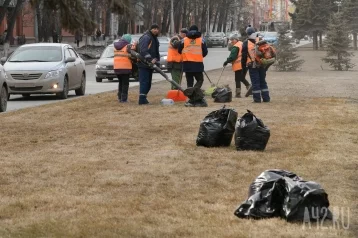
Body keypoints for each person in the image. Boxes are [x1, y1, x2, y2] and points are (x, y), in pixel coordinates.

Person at [241, 27, 270, 103]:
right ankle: (266, 98)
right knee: (263, 81)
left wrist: (243, 69)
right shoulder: (261, 40)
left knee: (255, 82)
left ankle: (257, 99)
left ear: (247, 33)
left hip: (252, 65)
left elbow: (243, 57)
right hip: (262, 64)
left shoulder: (246, 43)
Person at [178, 25, 208, 90]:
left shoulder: (184, 40)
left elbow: (179, 50)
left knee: (189, 82)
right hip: (198, 64)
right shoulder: (201, 40)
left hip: (187, 64)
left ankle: (190, 93)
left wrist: (185, 55)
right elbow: (205, 52)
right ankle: (195, 90)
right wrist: (200, 56)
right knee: (200, 80)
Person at [137, 24, 160, 105]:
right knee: (144, 82)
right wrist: (150, 59)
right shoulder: (146, 37)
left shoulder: (154, 38)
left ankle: (144, 98)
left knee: (148, 83)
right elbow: (143, 50)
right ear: (150, 29)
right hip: (144, 63)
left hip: (149, 64)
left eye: (157, 29)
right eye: (154, 29)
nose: (156, 30)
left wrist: (157, 60)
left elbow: (155, 51)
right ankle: (142, 99)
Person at [113, 34, 134, 103]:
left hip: (116, 67)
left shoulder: (116, 46)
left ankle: (119, 97)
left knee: (121, 82)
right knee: (125, 84)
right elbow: (132, 55)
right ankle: (124, 99)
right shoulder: (128, 46)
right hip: (125, 67)